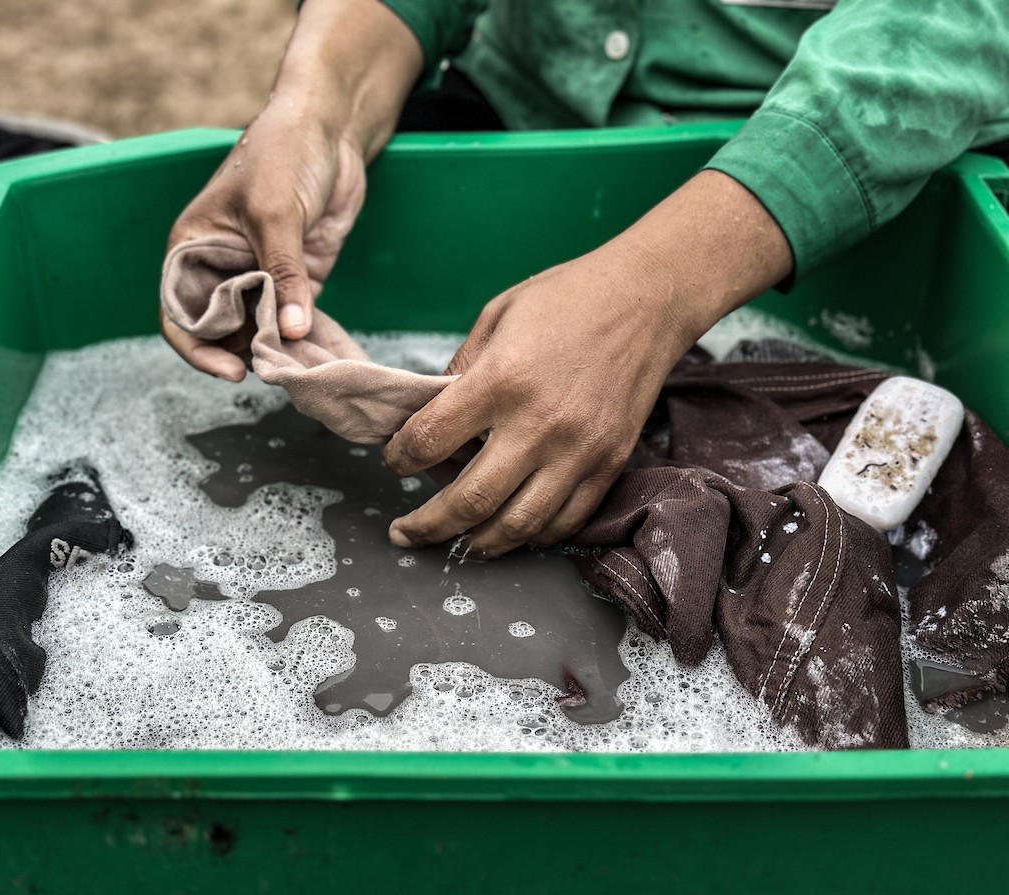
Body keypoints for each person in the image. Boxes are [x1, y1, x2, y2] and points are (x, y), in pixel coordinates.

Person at [162, 0, 1009, 559]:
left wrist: (651, 294)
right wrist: (319, 106)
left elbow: (952, 27)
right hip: (509, 109)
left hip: (851, 152)